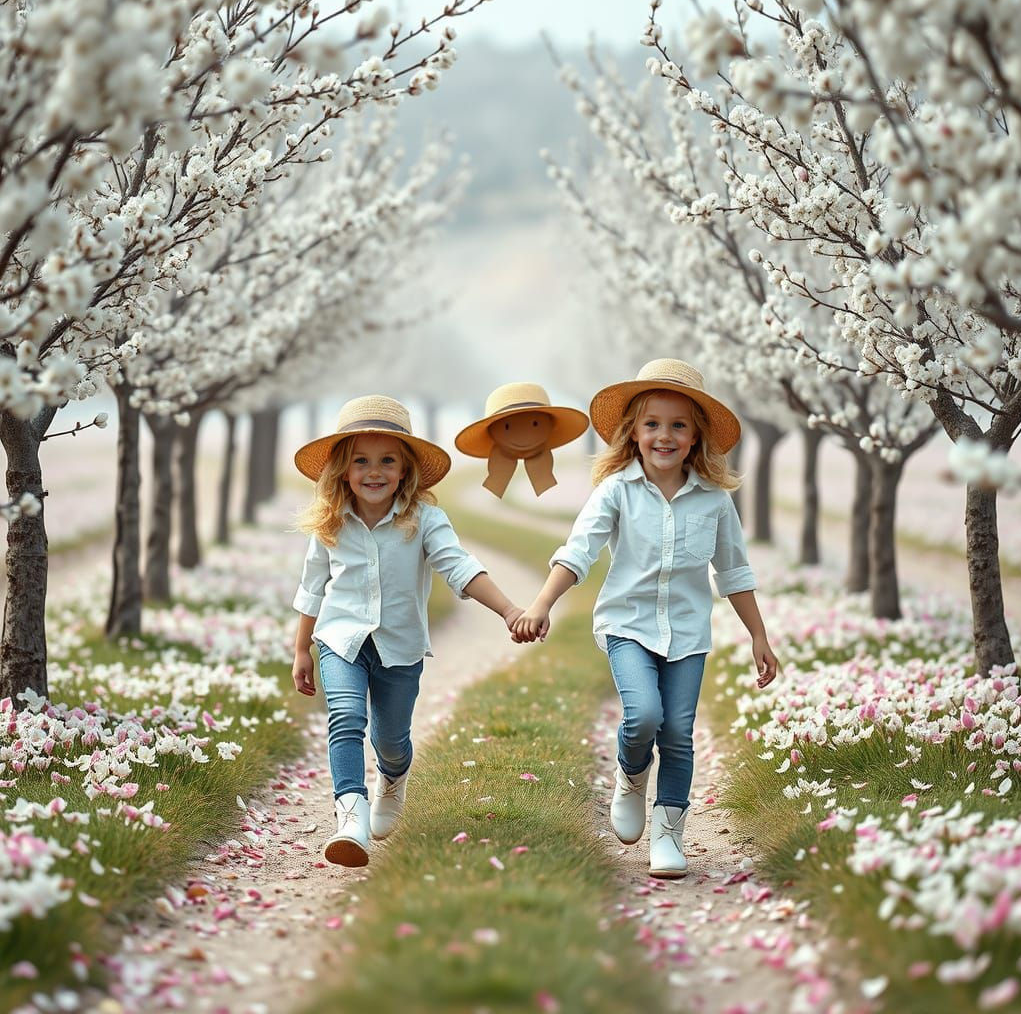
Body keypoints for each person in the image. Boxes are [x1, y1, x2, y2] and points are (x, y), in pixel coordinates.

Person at [513, 359, 778, 878]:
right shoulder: (616, 490)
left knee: (678, 731)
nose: (665, 436)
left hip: (688, 633)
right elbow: (579, 551)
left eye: (679, 425)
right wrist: (542, 603)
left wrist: (759, 635)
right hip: (627, 625)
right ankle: (632, 775)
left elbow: (733, 571)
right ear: (633, 432)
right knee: (644, 716)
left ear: (696, 436)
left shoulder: (715, 501)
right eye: (652, 424)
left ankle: (668, 835)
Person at [291, 394, 523, 867]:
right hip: (341, 641)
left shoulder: (424, 521)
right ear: (343, 470)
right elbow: (312, 590)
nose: (373, 471)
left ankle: (393, 776)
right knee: (345, 718)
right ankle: (350, 818)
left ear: (405, 470)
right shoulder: (330, 525)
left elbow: (459, 567)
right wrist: (301, 650)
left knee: (391, 740)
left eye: (387, 461)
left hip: (400, 647)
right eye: (361, 460)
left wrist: (509, 609)